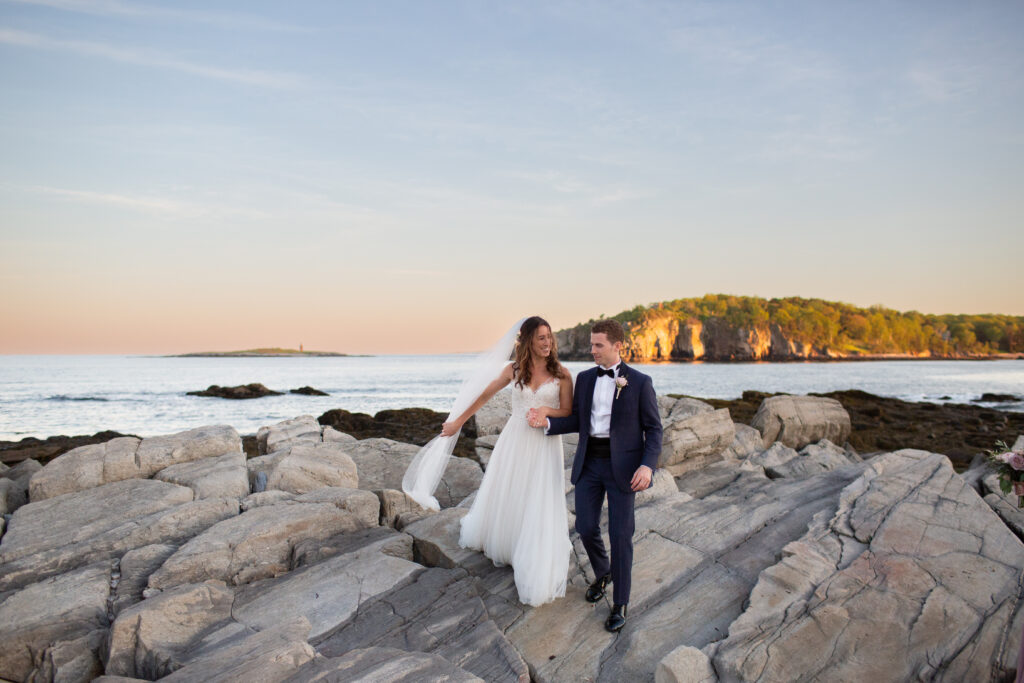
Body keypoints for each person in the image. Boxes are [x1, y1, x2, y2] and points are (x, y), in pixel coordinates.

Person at [529, 318, 662, 632]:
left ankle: (620, 603)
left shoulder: (640, 382)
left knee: (620, 536)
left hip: (625, 470)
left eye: (598, 345)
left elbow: (654, 430)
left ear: (618, 346)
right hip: (589, 464)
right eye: (591, 345)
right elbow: (577, 420)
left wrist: (647, 465)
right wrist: (546, 423)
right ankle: (603, 572)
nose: (592, 351)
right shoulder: (586, 379)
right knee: (585, 527)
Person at [437, 316, 574, 607]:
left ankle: (533, 551)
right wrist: (457, 422)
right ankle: (510, 544)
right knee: (513, 490)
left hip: (544, 443)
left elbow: (568, 413)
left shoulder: (562, 374)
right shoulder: (513, 371)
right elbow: (482, 396)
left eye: (549, 336)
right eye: (540, 337)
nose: (547, 342)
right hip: (515, 439)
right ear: (526, 341)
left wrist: (546, 411)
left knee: (539, 495)